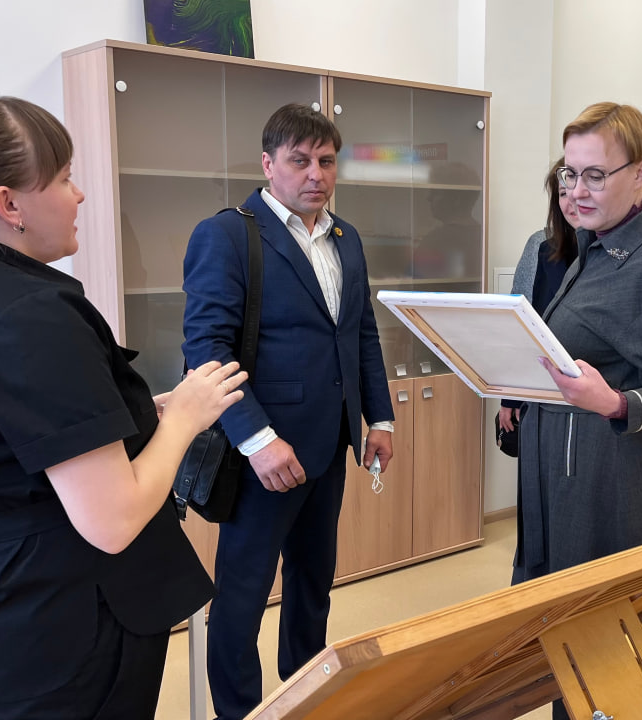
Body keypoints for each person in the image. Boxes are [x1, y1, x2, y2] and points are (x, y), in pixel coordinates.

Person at [0, 96, 243, 719]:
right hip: (60, 630)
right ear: (9, 205)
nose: (79, 195)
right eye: (63, 179)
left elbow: (12, 442)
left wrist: (134, 416)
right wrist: (185, 419)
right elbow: (112, 519)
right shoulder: (26, 313)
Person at [182, 103, 395, 720]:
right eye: (299, 161)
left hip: (329, 445)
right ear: (268, 164)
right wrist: (257, 440)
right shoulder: (229, 235)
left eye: (326, 161)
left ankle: (305, 695)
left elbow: (361, 334)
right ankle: (239, 711)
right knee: (242, 595)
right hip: (263, 454)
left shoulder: (345, 237)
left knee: (312, 582)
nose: (315, 175)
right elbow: (207, 350)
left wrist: (378, 418)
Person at [520, 101, 642, 584]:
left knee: (589, 610)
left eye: (595, 176)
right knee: (545, 605)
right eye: (570, 173)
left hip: (604, 481)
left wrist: (614, 402)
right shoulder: (594, 244)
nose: (577, 191)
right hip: (556, 465)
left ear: (640, 173)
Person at [496, 156, 580, 439]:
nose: (573, 202)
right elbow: (518, 323)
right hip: (541, 390)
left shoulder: (615, 255)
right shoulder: (541, 245)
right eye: (563, 194)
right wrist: (511, 395)